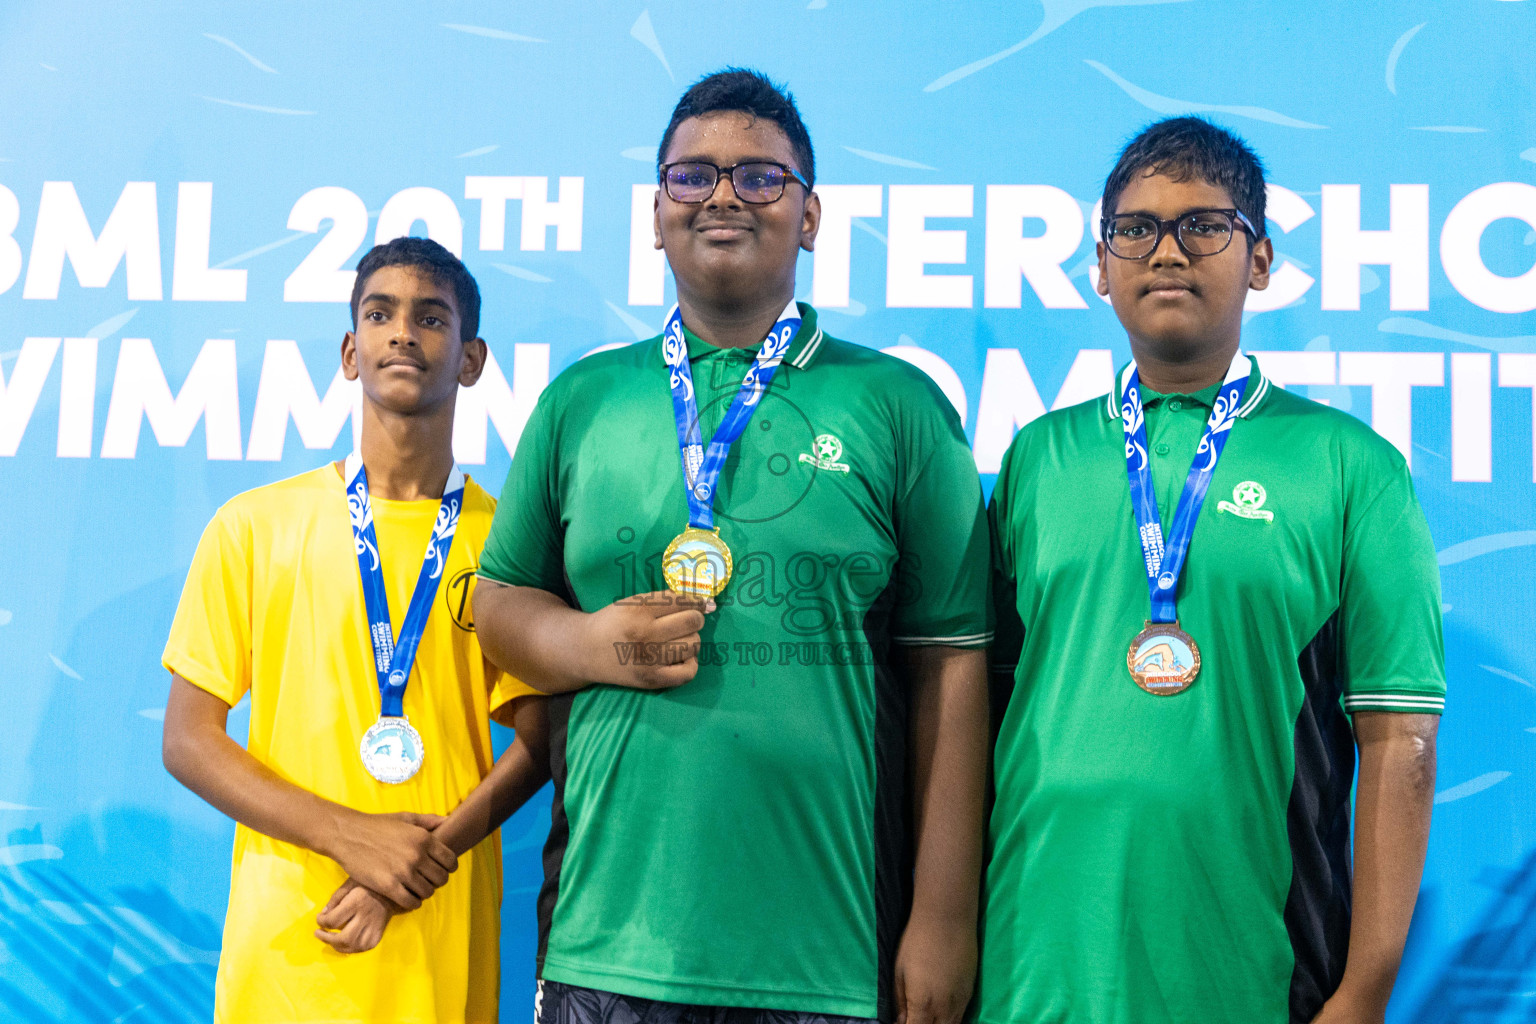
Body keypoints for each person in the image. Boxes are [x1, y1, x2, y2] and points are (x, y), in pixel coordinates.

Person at [473, 68, 992, 1024]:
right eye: (692, 175)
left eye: (760, 176)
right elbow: (499, 603)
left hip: (828, 951)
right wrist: (591, 646)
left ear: (811, 214)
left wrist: (944, 918)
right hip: (606, 943)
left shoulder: (899, 406)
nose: (722, 194)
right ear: (656, 211)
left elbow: (954, 669)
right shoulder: (582, 401)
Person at [977, 116, 1445, 1024]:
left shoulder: (1352, 467)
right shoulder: (1038, 457)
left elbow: (1403, 745)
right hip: (1030, 971)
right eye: (1137, 229)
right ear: (1100, 265)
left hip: (1253, 977)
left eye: (1204, 226)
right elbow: (979, 716)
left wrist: (1367, 993)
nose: (1167, 253)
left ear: (1260, 259)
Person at [162, 236, 549, 1024]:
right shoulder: (252, 527)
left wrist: (406, 867)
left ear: (471, 360)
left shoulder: (509, 544)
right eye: (381, 314)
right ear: (350, 351)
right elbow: (189, 740)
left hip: (434, 934)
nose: (403, 332)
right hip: (288, 948)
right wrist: (349, 836)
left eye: (431, 318)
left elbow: (543, 740)